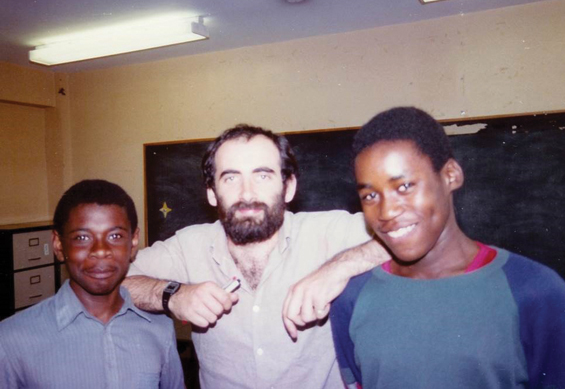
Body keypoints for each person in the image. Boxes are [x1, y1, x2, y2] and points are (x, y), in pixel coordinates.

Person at [329, 107, 565, 388]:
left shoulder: (536, 291)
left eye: (405, 186)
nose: (386, 210)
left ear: (450, 175)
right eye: (370, 195)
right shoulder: (352, 298)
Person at [124, 124, 389, 389]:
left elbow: (420, 235)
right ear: (211, 193)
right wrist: (172, 294)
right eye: (230, 178)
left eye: (262, 176)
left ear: (288, 187)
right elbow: (117, 281)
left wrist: (336, 269)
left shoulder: (327, 232)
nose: (247, 193)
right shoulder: (188, 245)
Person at [0, 180, 185, 389]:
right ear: (59, 245)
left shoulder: (159, 328)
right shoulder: (10, 340)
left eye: (115, 236)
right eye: (82, 237)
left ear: (133, 243)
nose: (100, 250)